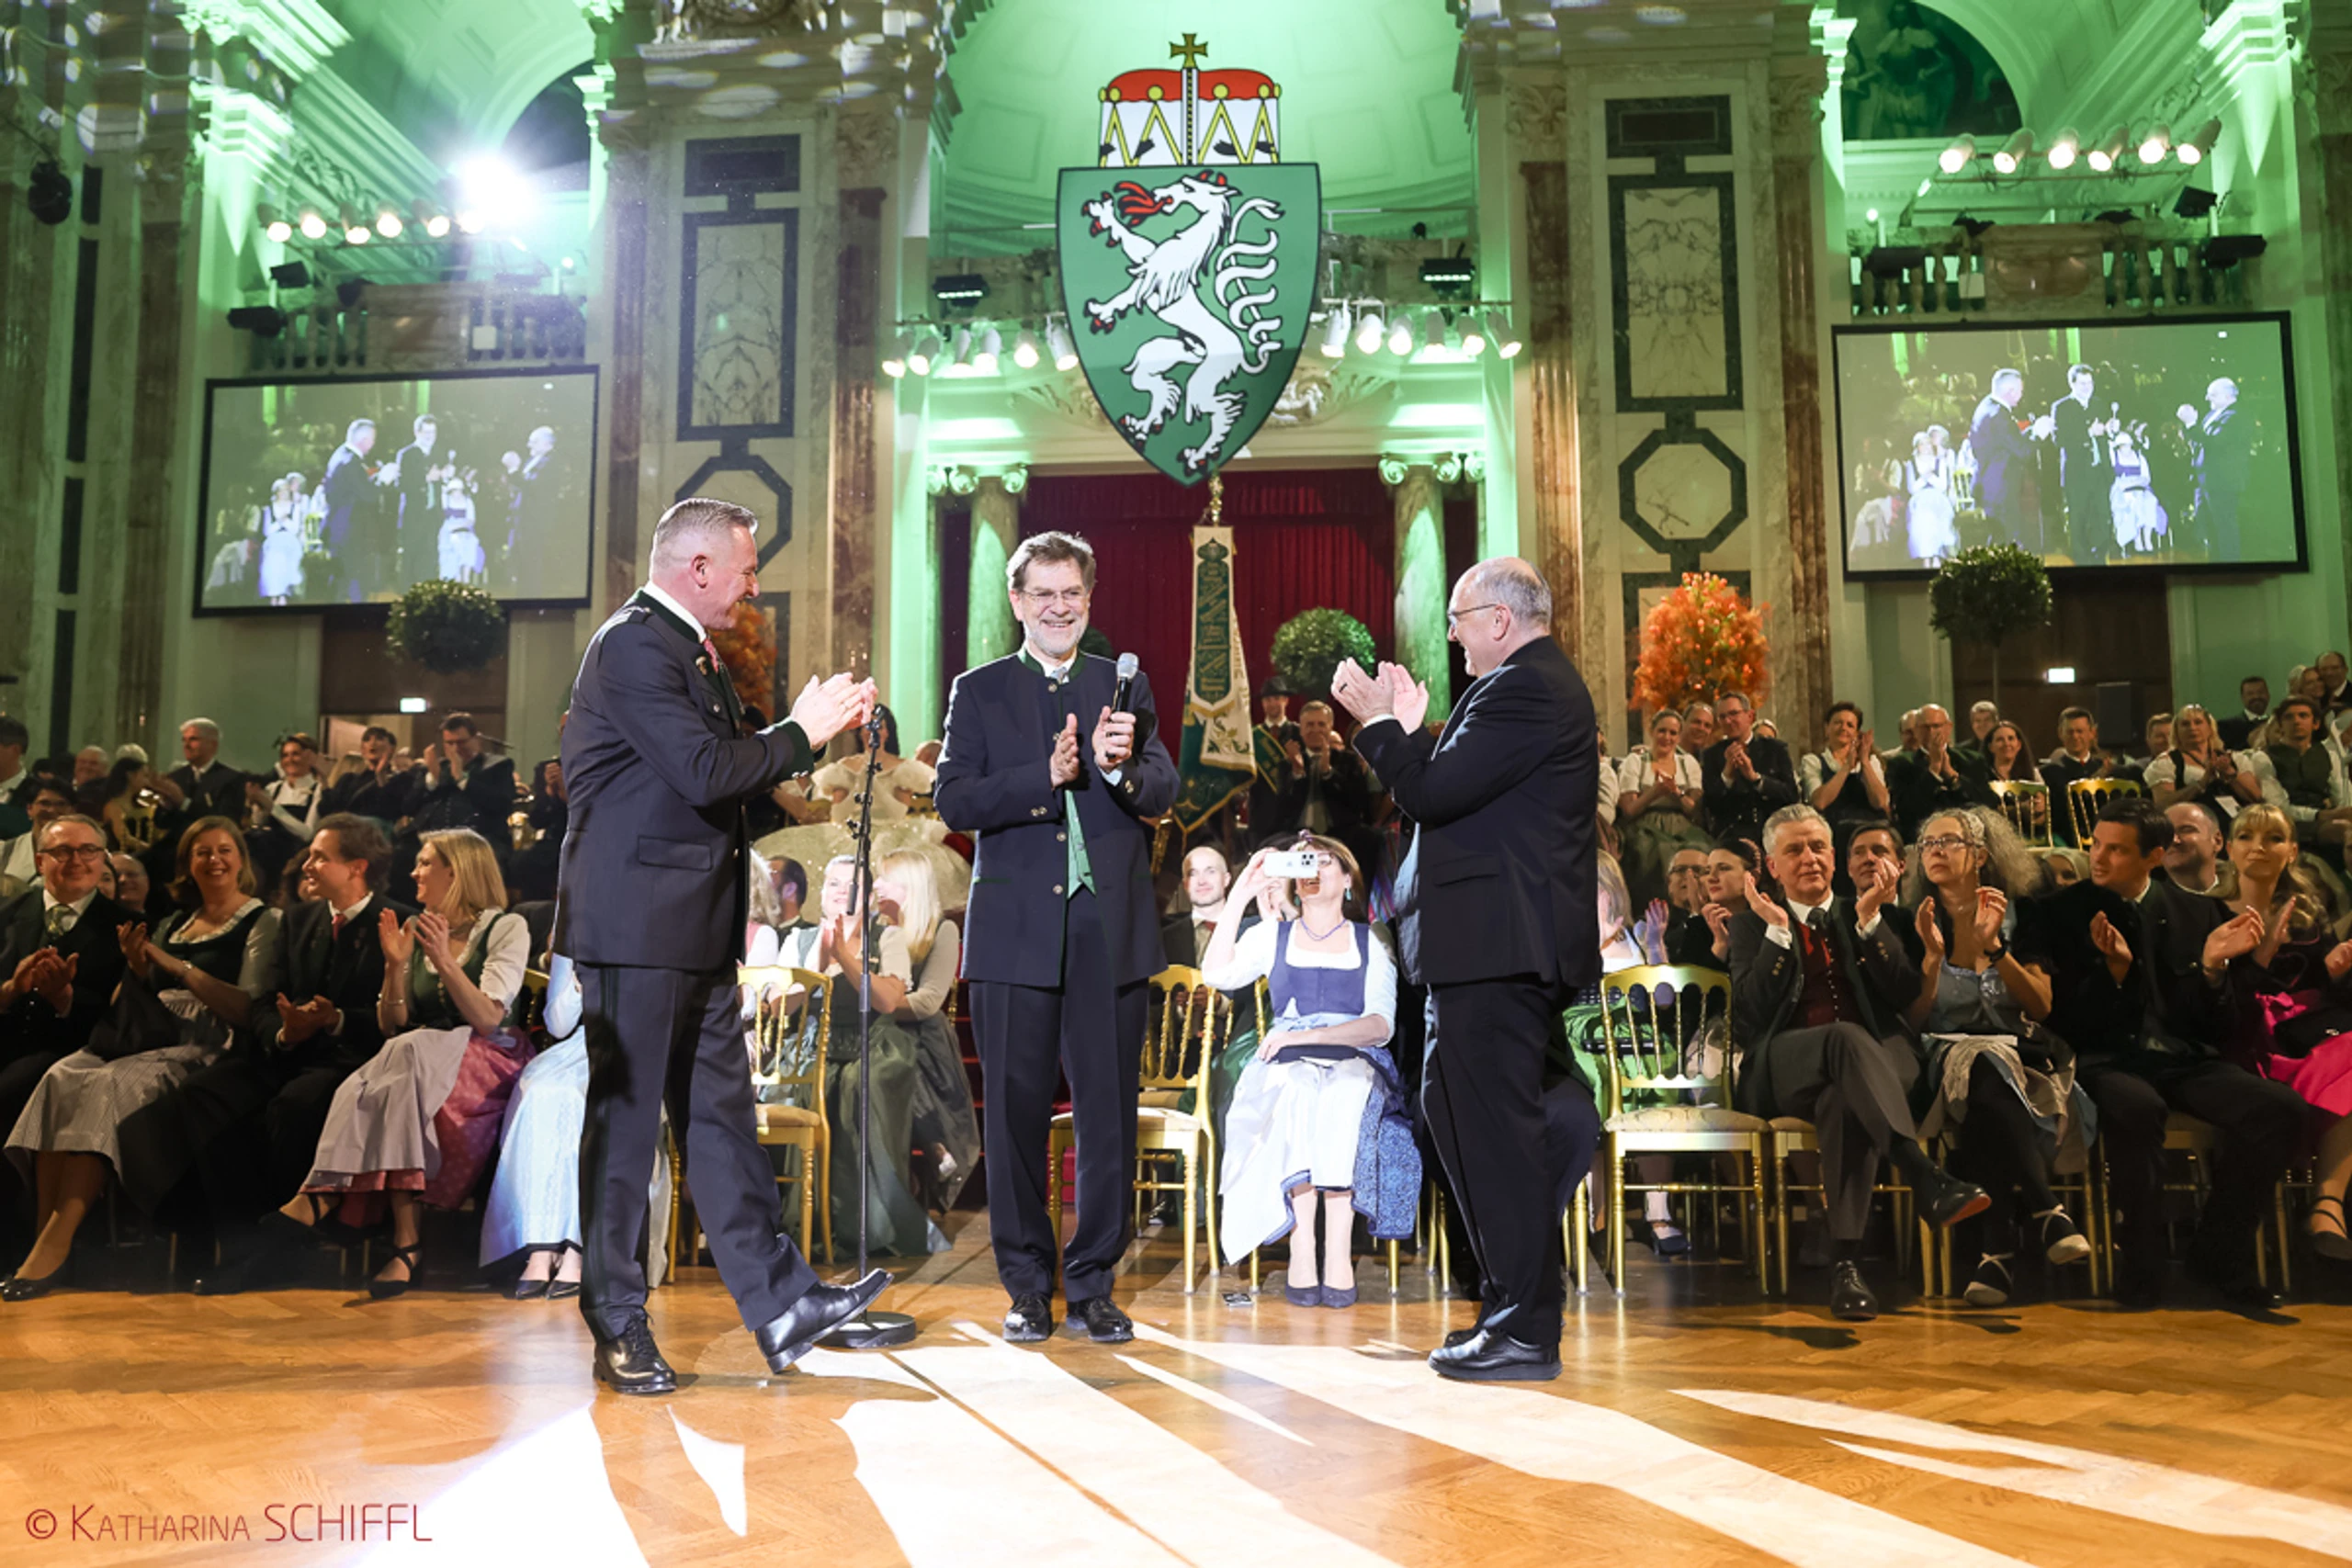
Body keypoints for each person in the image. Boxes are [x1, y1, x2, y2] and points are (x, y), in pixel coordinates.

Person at [556, 495, 882, 1393]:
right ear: (696, 569)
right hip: (635, 927)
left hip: (692, 927)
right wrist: (800, 732)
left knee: (721, 1121)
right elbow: (703, 770)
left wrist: (796, 744)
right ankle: (616, 1320)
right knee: (626, 1131)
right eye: (746, 569)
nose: (754, 587)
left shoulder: (686, 652)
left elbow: (719, 775)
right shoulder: (633, 645)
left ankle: (782, 1304)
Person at [1333, 556, 1599, 1382]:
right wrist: (1416, 735)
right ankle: (1509, 1305)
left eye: (1459, 618)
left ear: (1500, 620)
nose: (1452, 635)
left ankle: (1526, 1322)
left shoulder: (1527, 686)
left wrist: (1382, 725)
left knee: (1498, 1136)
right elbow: (1465, 788)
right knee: (1460, 1120)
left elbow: (1433, 794)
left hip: (1500, 950)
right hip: (1483, 950)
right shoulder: (1519, 688)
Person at [933, 529, 1178, 1348]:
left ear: (1088, 598)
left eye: (1071, 592)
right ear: (1017, 601)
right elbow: (954, 800)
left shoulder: (1122, 683)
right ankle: (1028, 1286)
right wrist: (1042, 777)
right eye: (1043, 593)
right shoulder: (979, 690)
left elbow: (1163, 785)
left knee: (1108, 1116)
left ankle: (1096, 1282)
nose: (1059, 606)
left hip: (1109, 931)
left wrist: (1119, 768)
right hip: (1014, 933)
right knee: (1014, 1119)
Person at [2016, 796, 2295, 1307]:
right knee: (2137, 1107)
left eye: (2117, 850)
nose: (2099, 858)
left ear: (2155, 857)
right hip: (2104, 1058)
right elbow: (2061, 1021)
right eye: (2096, 845)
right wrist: (2116, 974)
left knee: (2280, 1109)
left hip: (2183, 1058)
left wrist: (2213, 970)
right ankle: (2140, 1264)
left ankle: (2219, 1251)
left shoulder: (2198, 911)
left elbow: (2220, 1026)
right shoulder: (2055, 913)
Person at [1724, 804, 1986, 1322]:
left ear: (1834, 857)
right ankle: (1921, 1173)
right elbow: (1750, 1016)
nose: (1809, 858)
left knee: (1843, 1098)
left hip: (1871, 1066)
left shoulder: (1868, 912)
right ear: (1772, 867)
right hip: (1785, 1063)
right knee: (1843, 1038)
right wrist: (1778, 933)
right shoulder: (1752, 926)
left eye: (1818, 847)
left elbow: (1906, 995)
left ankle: (1846, 1266)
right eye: (1794, 850)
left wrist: (1870, 923)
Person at [2, 819, 277, 1299]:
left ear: (242, 859)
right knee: (61, 1075)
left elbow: (248, 1009)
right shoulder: (173, 923)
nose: (213, 860)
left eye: (224, 850)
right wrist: (138, 968)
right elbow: (138, 997)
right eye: (201, 852)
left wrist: (178, 968)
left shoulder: (262, 920)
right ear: (187, 863)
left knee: (106, 1085)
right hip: (151, 1031)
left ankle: (56, 1244)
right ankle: (43, 1238)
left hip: (210, 1041)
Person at [149, 815, 414, 1295]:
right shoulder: (298, 919)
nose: (307, 865)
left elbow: (401, 1018)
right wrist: (285, 1032)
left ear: (357, 867)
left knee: (294, 1106)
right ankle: (241, 1241)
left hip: (353, 1062)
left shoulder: (397, 921)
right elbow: (264, 1001)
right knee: (201, 1094)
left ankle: (284, 1248)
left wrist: (335, 1019)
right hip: (287, 1052)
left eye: (320, 857)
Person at [268, 829, 532, 1298]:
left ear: (456, 871)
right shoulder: (418, 926)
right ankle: (404, 1244)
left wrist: (445, 962)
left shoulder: (505, 927)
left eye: (426, 863)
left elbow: (489, 1018)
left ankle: (324, 1194)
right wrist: (395, 966)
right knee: (388, 1068)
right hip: (422, 1059)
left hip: (487, 1057)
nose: (414, 872)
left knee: (403, 1057)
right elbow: (392, 1024)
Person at [1206, 837, 1414, 1306]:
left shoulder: (1370, 940)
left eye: (1325, 861)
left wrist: (1307, 1035)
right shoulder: (1273, 936)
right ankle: (1303, 1248)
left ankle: (1337, 1251)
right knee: (1296, 1089)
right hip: (1288, 1065)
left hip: (1352, 1058)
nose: (1313, 871)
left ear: (1348, 879)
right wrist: (1241, 894)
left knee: (1346, 1092)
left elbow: (1380, 1025)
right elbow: (1216, 974)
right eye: (1304, 863)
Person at [1901, 808, 2093, 1307]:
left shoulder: (2024, 915)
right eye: (1927, 843)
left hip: (2021, 1059)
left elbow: (2040, 1005)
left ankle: (1996, 1251)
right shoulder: (1912, 919)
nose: (1936, 851)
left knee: (1988, 1092)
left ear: (1981, 855)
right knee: (1980, 1061)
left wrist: (1997, 949)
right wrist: (1931, 962)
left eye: (1950, 841)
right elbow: (1913, 1020)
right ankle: (2047, 1210)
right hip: (1942, 1058)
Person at [773, 856, 938, 1257]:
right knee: (805, 1085)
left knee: (861, 1083)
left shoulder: (887, 938)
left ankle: (868, 1226)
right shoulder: (799, 940)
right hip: (814, 1044)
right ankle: (806, 1222)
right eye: (834, 884)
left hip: (873, 1042)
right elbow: (779, 1007)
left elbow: (888, 1001)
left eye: (853, 886)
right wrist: (817, 964)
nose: (841, 892)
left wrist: (845, 959)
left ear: (868, 898)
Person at [2220, 806, 2352, 1262]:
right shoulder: (2207, 911)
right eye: (2246, 836)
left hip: (2313, 1031)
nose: (2258, 846)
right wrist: (2259, 956)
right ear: (2228, 848)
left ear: (2292, 851)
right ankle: (2327, 1205)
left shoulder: (2308, 916)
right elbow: (2208, 999)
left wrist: (2333, 971)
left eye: (2273, 838)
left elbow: (2326, 990)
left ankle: (2328, 1204)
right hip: (2249, 1033)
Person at [0, 817, 131, 1268]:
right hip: (6, 1038)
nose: (76, 860)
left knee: (11, 1091)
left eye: (88, 851)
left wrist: (66, 998)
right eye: (62, 852)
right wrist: (11, 990)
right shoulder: (8, 914)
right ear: (40, 862)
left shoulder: (127, 927)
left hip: (76, 1054)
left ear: (102, 860)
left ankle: (17, 1244)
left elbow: (126, 1018)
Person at [1615, 708, 1708, 912]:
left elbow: (1694, 810)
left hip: (1682, 824)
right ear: (1652, 731)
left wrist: (1676, 793)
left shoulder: (1687, 763)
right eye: (1662, 731)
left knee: (1699, 846)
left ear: (1679, 736)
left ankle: (1695, 906)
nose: (1667, 737)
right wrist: (1654, 792)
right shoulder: (1636, 762)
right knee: (1655, 850)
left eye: (1673, 733)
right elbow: (1629, 810)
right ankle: (1657, 910)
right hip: (1645, 823)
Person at [2144, 704, 2278, 823]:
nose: (2192, 728)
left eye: (2198, 722)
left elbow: (2256, 798)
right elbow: (2162, 805)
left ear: (2209, 727)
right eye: (2185, 724)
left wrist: (2230, 773)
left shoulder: (2235, 758)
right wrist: (2201, 783)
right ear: (2177, 731)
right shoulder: (2166, 763)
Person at [1701, 692, 1798, 854]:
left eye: (1733, 714)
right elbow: (1710, 805)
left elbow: (1791, 795)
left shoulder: (1774, 749)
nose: (1728, 721)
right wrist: (1727, 776)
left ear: (1750, 716)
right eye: (1722, 717)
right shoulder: (1712, 755)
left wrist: (1756, 779)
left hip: (1771, 832)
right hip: (1730, 836)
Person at [810, 704, 934, 823]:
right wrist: (859, 785)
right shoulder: (844, 767)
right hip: (852, 832)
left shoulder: (903, 769)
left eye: (879, 727)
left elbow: (898, 815)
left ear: (887, 732)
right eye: (868, 726)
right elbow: (838, 816)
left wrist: (874, 784)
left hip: (890, 833)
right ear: (861, 732)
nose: (873, 732)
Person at [410, 714, 518, 843]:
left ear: (476, 739)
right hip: (433, 838)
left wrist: (462, 779)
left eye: (461, 742)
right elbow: (409, 808)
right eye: (450, 743)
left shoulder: (498, 766)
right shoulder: (438, 767)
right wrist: (432, 779)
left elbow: (504, 806)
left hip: (480, 840)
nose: (455, 748)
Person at [2259, 695, 2352, 845]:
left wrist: (2341, 812)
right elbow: (2278, 807)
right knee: (2344, 829)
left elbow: (2341, 796)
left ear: (2315, 724)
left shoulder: (2328, 754)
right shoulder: (2264, 757)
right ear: (2281, 725)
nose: (2296, 721)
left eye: (2303, 716)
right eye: (2289, 717)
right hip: (2289, 823)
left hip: (2328, 817)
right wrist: (2321, 815)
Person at [2178, 377, 2250, 561]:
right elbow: (2200, 440)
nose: (2207, 398)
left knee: (2224, 527)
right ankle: (2215, 563)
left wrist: (2191, 424)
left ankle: (2230, 565)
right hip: (2204, 481)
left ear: (2228, 396)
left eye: (2213, 394)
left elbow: (2215, 444)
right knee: (2207, 526)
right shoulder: (2211, 415)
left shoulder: (2236, 417)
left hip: (2222, 482)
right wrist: (2189, 428)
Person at [1967, 367, 2041, 546]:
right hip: (2000, 489)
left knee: (1999, 539)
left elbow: (2008, 441)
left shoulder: (1987, 405)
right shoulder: (1999, 415)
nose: (2022, 395)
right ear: (2010, 391)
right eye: (2021, 391)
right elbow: (2023, 451)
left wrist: (2031, 430)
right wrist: (2040, 435)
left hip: (1989, 484)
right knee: (2008, 540)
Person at [1887, 704, 1984, 839]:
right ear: (1916, 731)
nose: (1931, 732)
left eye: (1936, 726)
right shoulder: (1901, 763)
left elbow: (1984, 802)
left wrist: (1952, 775)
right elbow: (1906, 809)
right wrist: (1933, 770)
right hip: (1920, 835)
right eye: (1925, 727)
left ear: (1948, 727)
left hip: (1967, 833)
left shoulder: (1972, 760)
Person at [2050, 363, 2113, 565]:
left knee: (2102, 515)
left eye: (2090, 383)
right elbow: (2059, 439)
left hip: (2099, 471)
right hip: (2076, 474)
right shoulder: (2061, 407)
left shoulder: (2099, 404)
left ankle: (2100, 556)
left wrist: (2111, 429)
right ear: (2072, 384)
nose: (2087, 387)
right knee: (2078, 518)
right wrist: (2088, 433)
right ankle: (2081, 561)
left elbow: (2105, 434)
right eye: (2083, 383)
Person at [249, 733, 325, 897]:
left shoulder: (318, 790)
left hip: (294, 854)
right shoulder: (274, 788)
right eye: (285, 755)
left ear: (310, 757)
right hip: (266, 853)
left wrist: (273, 808)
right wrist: (257, 805)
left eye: (295, 754)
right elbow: (258, 823)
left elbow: (307, 833)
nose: (289, 760)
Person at [1800, 701, 1892, 833]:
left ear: (1856, 733)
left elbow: (1880, 802)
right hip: (1832, 830)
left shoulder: (1871, 761)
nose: (1843, 728)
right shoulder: (1813, 761)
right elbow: (1819, 802)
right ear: (1827, 728)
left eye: (1850, 725)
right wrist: (1847, 767)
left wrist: (1865, 763)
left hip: (1870, 829)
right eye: (1838, 723)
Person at [319, 418, 380, 601]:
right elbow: (368, 495)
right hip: (349, 532)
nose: (373, 444)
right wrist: (383, 480)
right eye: (373, 439)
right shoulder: (351, 462)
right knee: (354, 581)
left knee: (341, 583)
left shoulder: (340, 454)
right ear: (364, 440)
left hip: (339, 529)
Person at [2041, 707, 2112, 846]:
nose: (2075, 737)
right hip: (2066, 841)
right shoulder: (2049, 772)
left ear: (2092, 733)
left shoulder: (2106, 768)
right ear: (2060, 734)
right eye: (2070, 732)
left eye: (2080, 731)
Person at [323, 727, 417, 825]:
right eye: (367, 739)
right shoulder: (348, 780)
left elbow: (389, 812)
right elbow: (326, 810)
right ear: (362, 749)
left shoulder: (402, 779)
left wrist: (381, 776)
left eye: (379, 739)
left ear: (391, 749)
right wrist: (323, 778)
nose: (372, 743)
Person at [1161, 845, 1234, 967]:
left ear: (1226, 879)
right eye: (1192, 874)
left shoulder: (1254, 931)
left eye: (1210, 871)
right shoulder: (1163, 941)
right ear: (1185, 884)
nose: (1201, 881)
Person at [1903, 429, 1958, 562]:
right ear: (1917, 447)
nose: (1926, 447)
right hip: (1919, 498)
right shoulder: (1911, 463)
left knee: (1938, 519)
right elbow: (1912, 488)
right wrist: (1924, 478)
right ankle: (1926, 557)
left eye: (1928, 443)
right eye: (1922, 444)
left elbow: (1942, 485)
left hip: (1937, 497)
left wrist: (1931, 476)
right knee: (1923, 520)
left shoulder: (1939, 461)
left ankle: (1938, 555)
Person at [2163, 799, 2228, 897]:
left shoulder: (2247, 893)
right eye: (2165, 833)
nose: (2173, 840)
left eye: (2186, 830)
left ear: (2217, 840)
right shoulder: (2150, 904)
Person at [2219, 676, 2273, 751]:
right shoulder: (2227, 727)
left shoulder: (2278, 725)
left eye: (2260, 692)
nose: (2256, 696)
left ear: (2268, 695)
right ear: (2243, 698)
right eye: (2250, 694)